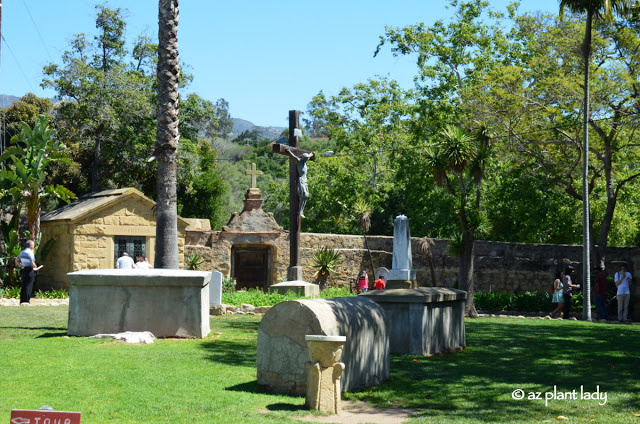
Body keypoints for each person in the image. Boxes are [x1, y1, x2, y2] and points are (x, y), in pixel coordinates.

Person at [287, 147, 313, 218]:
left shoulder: (305, 162)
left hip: (305, 180)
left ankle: (301, 210)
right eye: (306, 158)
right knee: (304, 195)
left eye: (308, 158)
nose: (308, 159)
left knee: (306, 196)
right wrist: (289, 151)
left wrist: (311, 154)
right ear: (303, 158)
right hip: (301, 180)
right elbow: (293, 156)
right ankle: (300, 211)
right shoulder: (299, 161)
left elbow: (310, 155)